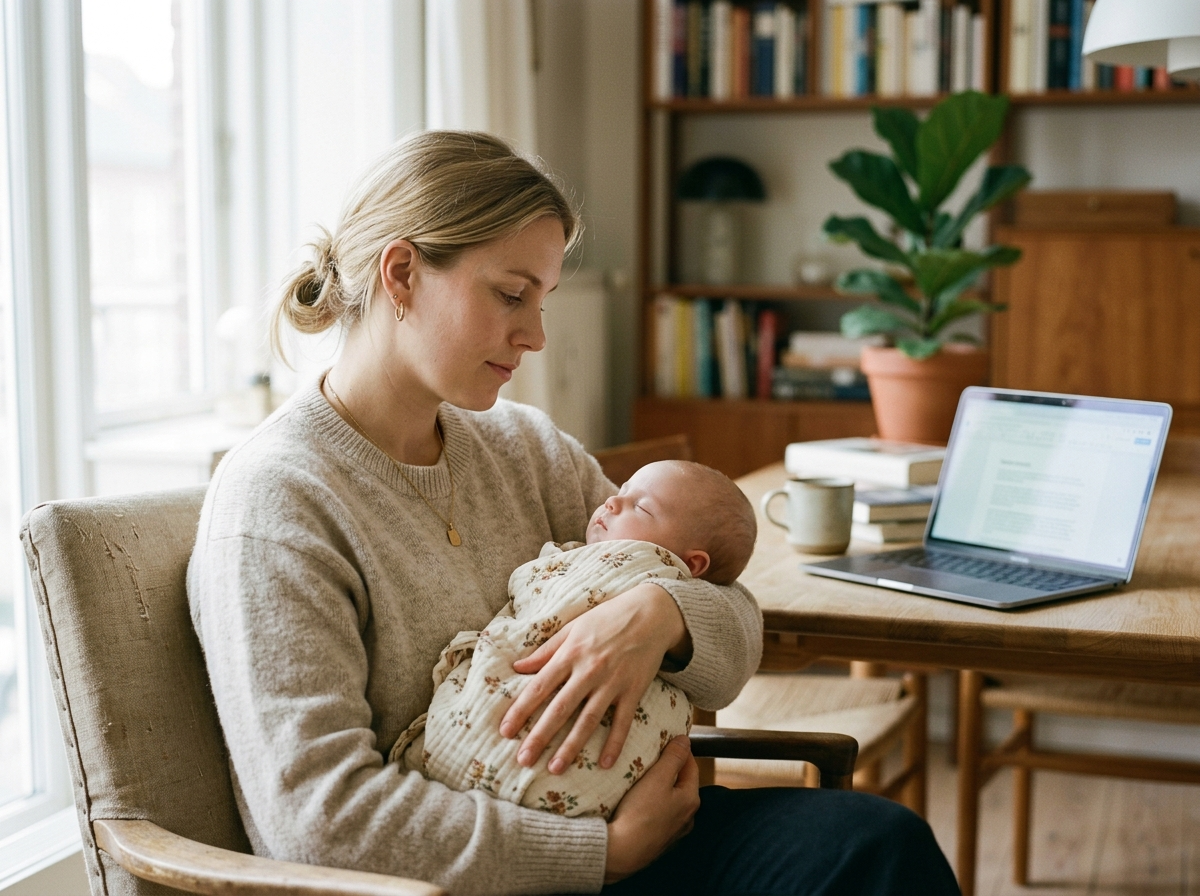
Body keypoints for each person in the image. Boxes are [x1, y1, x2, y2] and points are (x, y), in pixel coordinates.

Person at [187, 129, 960, 896]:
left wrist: (659, 614)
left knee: (882, 845)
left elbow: (735, 634)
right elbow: (317, 818)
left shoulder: (524, 449)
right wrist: (598, 853)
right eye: (510, 294)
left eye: (544, 299)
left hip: (633, 835)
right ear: (402, 274)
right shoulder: (278, 501)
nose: (537, 335)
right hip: (470, 877)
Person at [391, 460, 757, 821]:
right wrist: (608, 851)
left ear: (692, 566)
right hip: (469, 830)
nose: (611, 502)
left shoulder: (538, 452)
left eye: (640, 506)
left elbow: (741, 625)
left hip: (644, 808)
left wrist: (663, 610)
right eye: (620, 492)